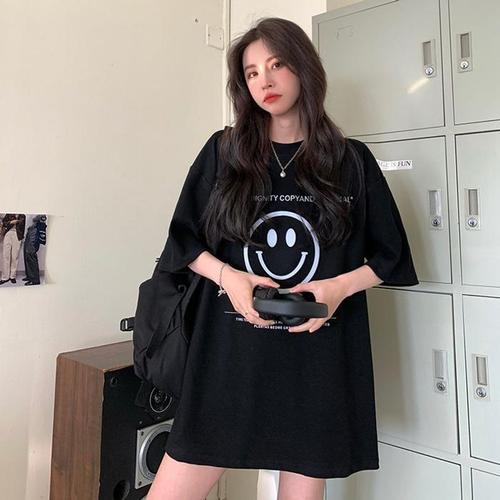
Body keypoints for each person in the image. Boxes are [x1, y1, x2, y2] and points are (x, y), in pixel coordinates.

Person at [146, 17, 418, 500]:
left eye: (276, 65)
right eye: (251, 73)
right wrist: (229, 277)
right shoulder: (224, 152)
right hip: (228, 359)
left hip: (315, 362)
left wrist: (336, 288)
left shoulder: (351, 161)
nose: (264, 81)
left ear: (303, 68)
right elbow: (183, 243)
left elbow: (389, 255)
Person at [0, 213, 26, 285]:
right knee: (6, 256)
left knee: (15, 256)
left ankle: (12, 276)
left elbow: (23, 227)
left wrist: (21, 236)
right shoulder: (9, 214)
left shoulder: (22, 215)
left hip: (17, 235)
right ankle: (5, 277)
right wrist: (11, 222)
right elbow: (4, 223)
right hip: (8, 233)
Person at [22, 214, 47, 285]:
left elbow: (43, 218)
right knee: (27, 256)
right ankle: (30, 276)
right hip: (31, 230)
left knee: (31, 256)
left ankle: (35, 280)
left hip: (35, 231)